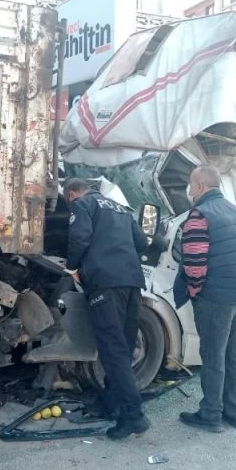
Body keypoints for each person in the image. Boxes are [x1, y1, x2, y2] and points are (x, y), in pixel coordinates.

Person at [63, 178, 151, 440]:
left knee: (112, 352)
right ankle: (111, 403)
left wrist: (72, 267)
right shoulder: (120, 207)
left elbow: (79, 237)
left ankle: (133, 416)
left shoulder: (82, 204)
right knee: (122, 348)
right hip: (132, 283)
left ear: (71, 194)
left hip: (105, 285)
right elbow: (142, 243)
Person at [174, 165, 236, 433]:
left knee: (213, 357)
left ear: (198, 187)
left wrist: (196, 293)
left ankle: (210, 415)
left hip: (215, 299)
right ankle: (235, 413)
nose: (190, 190)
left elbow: (194, 264)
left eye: (190, 184)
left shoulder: (200, 215)